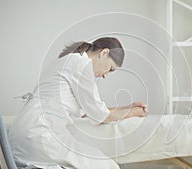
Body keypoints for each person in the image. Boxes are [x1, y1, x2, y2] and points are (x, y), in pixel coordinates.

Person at [8, 37, 148, 169]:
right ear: (104, 52)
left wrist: (127, 107)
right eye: (110, 69)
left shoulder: (74, 61)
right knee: (106, 165)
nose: (105, 75)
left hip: (27, 132)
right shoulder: (81, 65)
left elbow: (89, 112)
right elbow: (100, 115)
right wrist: (133, 112)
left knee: (102, 163)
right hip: (38, 135)